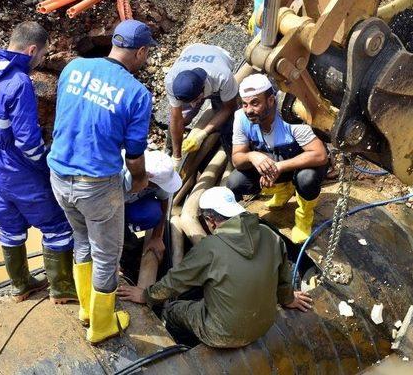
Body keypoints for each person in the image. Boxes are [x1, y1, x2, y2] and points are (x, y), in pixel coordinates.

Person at [47, 19, 155, 344]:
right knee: (107, 255)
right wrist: (139, 181)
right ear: (140, 52)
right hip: (96, 185)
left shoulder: (73, 68)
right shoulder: (137, 93)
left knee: (81, 241)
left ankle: (86, 310)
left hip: (58, 176)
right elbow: (134, 156)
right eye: (146, 55)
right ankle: (102, 325)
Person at [0, 22, 76, 304]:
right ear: (32, 49)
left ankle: (20, 286)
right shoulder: (19, 82)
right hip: (17, 166)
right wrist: (47, 169)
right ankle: (61, 288)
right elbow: (28, 141)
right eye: (43, 55)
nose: (41, 61)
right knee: (57, 224)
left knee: (8, 225)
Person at [118, 186, 313, 348]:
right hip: (264, 325)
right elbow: (284, 277)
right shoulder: (270, 235)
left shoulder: (210, 248)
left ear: (211, 221)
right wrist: (288, 298)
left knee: (173, 309)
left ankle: (179, 343)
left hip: (222, 334)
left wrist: (146, 295)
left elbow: (175, 282)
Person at [226, 74, 329, 244]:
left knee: (306, 180)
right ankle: (283, 190)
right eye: (245, 104)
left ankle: (304, 217)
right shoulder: (241, 118)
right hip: (275, 161)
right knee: (235, 182)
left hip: (303, 164)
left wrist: (279, 167)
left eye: (255, 103)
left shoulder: (292, 116)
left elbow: (319, 155)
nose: (249, 110)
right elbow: (237, 159)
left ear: (271, 100)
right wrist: (253, 155)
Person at [164, 43, 239, 164]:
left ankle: (233, 159)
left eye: (196, 101)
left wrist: (203, 134)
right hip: (192, 50)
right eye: (189, 102)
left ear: (204, 88)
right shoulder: (171, 81)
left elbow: (229, 108)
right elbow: (176, 118)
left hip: (219, 57)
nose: (194, 106)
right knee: (179, 118)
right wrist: (176, 157)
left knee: (228, 124)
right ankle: (169, 152)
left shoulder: (222, 76)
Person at [122, 150, 182, 269]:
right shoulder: (119, 177)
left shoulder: (160, 177)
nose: (160, 188)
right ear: (148, 180)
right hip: (104, 208)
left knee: (152, 214)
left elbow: (165, 200)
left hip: (129, 204)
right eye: (157, 186)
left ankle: (127, 237)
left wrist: (157, 237)